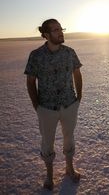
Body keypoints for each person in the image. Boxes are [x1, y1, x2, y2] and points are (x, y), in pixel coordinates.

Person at [24, 19, 83, 190]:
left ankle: (69, 169)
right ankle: (49, 176)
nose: (61, 32)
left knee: (69, 138)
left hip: (69, 105)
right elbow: (30, 81)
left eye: (61, 29)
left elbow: (77, 74)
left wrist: (78, 97)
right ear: (46, 34)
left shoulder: (69, 52)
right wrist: (37, 106)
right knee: (47, 142)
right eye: (56, 30)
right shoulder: (36, 55)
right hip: (46, 108)